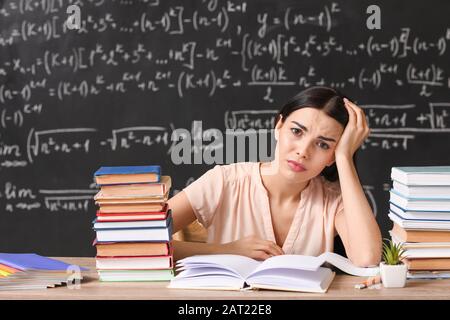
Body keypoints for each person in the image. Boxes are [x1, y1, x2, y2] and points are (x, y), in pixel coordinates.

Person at [168, 86, 382, 267]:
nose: (303, 151)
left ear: (331, 157)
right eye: (297, 132)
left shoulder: (333, 200)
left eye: (323, 144)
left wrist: (344, 156)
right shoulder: (225, 181)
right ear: (279, 127)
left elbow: (367, 259)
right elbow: (139, 241)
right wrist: (227, 251)